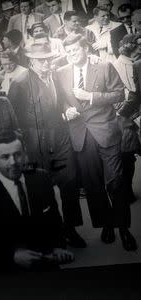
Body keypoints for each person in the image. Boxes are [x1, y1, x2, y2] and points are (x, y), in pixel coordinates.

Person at [56, 34, 137, 251]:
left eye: (76, 50)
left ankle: (123, 228)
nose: (72, 55)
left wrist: (90, 95)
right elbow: (61, 99)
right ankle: (106, 225)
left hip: (106, 132)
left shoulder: (104, 66)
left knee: (116, 182)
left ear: (85, 49)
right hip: (80, 136)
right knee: (93, 186)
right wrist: (66, 110)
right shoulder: (61, 72)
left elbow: (119, 94)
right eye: (69, 51)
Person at [7, 42, 86, 248]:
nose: (46, 63)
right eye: (41, 60)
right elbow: (12, 118)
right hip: (35, 145)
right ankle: (56, 232)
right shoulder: (20, 82)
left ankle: (71, 229)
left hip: (60, 139)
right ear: (31, 61)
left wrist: (67, 108)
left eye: (49, 59)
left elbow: (63, 100)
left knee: (70, 184)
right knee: (43, 192)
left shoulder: (55, 75)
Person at [0, 130, 74, 275]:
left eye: (17, 154)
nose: (13, 162)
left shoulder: (41, 179)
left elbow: (55, 222)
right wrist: (12, 256)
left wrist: (58, 247)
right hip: (2, 273)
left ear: (25, 154)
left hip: (43, 266)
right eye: (5, 157)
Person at [111, 33, 141, 205]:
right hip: (125, 118)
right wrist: (125, 113)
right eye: (138, 48)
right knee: (126, 155)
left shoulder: (136, 63)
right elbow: (125, 95)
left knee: (129, 156)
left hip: (132, 115)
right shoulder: (118, 65)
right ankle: (125, 191)